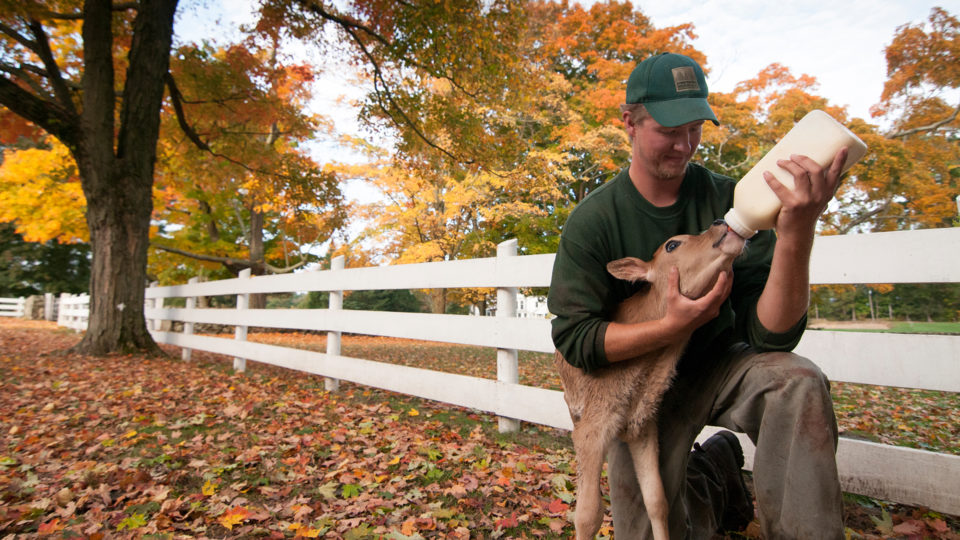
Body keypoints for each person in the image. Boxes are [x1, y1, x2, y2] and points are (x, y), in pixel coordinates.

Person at [547, 52, 846, 539]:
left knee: (797, 382)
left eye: (695, 128)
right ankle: (715, 475)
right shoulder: (594, 222)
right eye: (669, 129)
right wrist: (670, 327)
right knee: (648, 528)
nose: (685, 145)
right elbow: (575, 339)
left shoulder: (733, 203)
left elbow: (772, 334)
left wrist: (796, 233)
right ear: (630, 122)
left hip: (718, 364)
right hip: (637, 388)